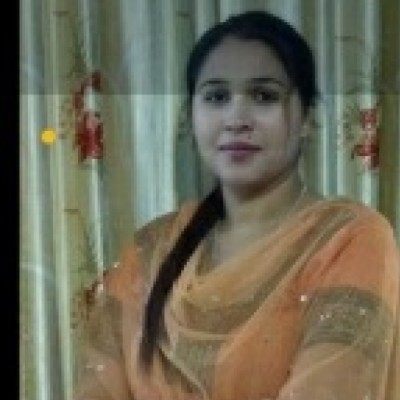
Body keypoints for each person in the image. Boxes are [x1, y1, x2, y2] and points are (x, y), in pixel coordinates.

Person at [73, 10, 400, 400]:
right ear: (190, 117)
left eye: (264, 96)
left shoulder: (349, 239)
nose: (236, 119)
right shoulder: (149, 253)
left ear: (307, 118)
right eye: (216, 97)